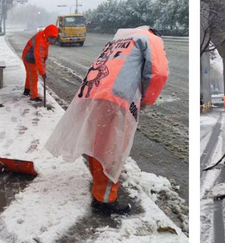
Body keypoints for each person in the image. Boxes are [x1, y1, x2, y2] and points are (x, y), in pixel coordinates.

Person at [45, 26, 168, 215]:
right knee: (113, 149)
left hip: (95, 89)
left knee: (99, 142)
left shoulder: (122, 38)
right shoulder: (150, 39)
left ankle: (99, 184)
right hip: (117, 96)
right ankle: (104, 200)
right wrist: (147, 100)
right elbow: (158, 73)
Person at [22, 24, 59, 102]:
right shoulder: (40, 41)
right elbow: (39, 58)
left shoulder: (45, 37)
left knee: (30, 75)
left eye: (54, 38)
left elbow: (43, 54)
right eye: (51, 38)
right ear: (48, 34)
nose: (52, 40)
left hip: (31, 57)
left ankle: (27, 90)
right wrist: (43, 72)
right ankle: (33, 96)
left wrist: (44, 63)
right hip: (29, 57)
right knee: (34, 76)